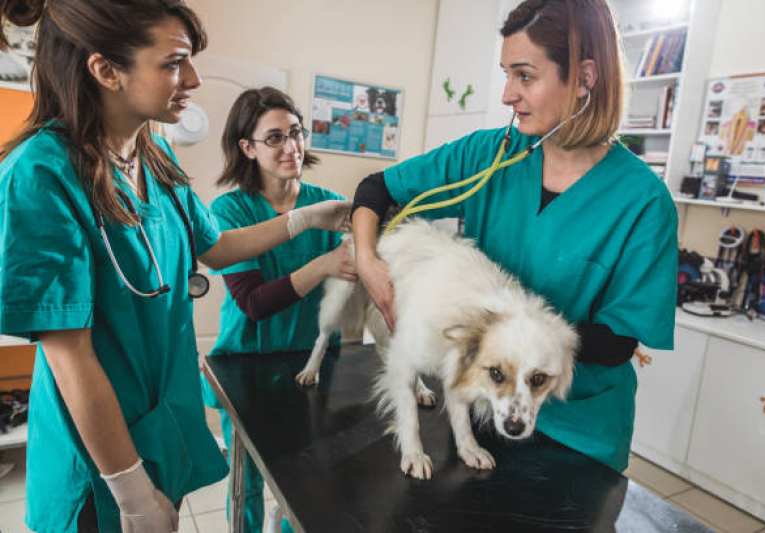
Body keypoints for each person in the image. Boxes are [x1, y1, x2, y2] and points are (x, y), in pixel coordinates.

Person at [0, 2, 349, 532]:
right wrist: (132, 491)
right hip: (99, 456)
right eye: (174, 62)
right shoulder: (39, 174)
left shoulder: (154, 160)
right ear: (106, 69)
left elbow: (217, 247)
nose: (193, 78)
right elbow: (71, 358)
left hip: (158, 425)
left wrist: (305, 218)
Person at [352, 0, 677, 473]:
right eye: (506, 75)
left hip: (578, 433)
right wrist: (367, 261)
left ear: (585, 77)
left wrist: (501, 332)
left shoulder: (643, 202)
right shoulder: (492, 153)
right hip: (485, 412)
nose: (508, 95)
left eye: (524, 76)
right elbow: (376, 188)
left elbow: (617, 342)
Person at [201, 86, 356, 533]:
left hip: (311, 362)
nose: (291, 146)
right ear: (246, 147)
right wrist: (325, 263)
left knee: (309, 475)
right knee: (246, 480)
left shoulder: (327, 200)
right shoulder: (229, 211)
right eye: (274, 138)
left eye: (296, 132)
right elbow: (253, 303)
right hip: (246, 364)